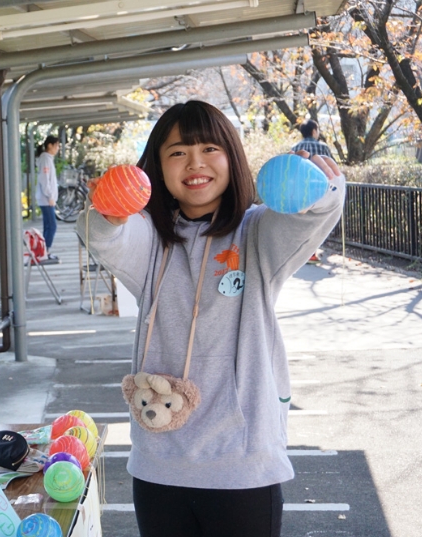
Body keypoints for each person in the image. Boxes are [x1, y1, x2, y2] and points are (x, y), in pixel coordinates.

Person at [77, 101, 344, 537]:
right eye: (178, 152)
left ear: (232, 158)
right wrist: (109, 213)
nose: (195, 163)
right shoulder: (151, 238)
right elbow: (111, 236)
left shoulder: (256, 232)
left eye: (209, 148)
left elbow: (302, 221)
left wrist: (319, 190)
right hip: (159, 463)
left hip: (242, 465)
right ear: (158, 167)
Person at [293, 119, 335, 264]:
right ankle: (311, 252)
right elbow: (333, 168)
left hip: (300, 190)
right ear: (314, 131)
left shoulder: (296, 147)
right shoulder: (323, 147)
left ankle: (305, 252)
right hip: (321, 190)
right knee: (318, 221)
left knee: (303, 221)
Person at [36, 135, 60, 262]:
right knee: (52, 225)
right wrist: (50, 196)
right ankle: (45, 251)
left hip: (46, 199)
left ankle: (43, 251)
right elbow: (44, 179)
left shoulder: (47, 158)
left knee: (48, 225)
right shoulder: (45, 158)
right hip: (46, 199)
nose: (57, 148)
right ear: (49, 145)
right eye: (56, 145)